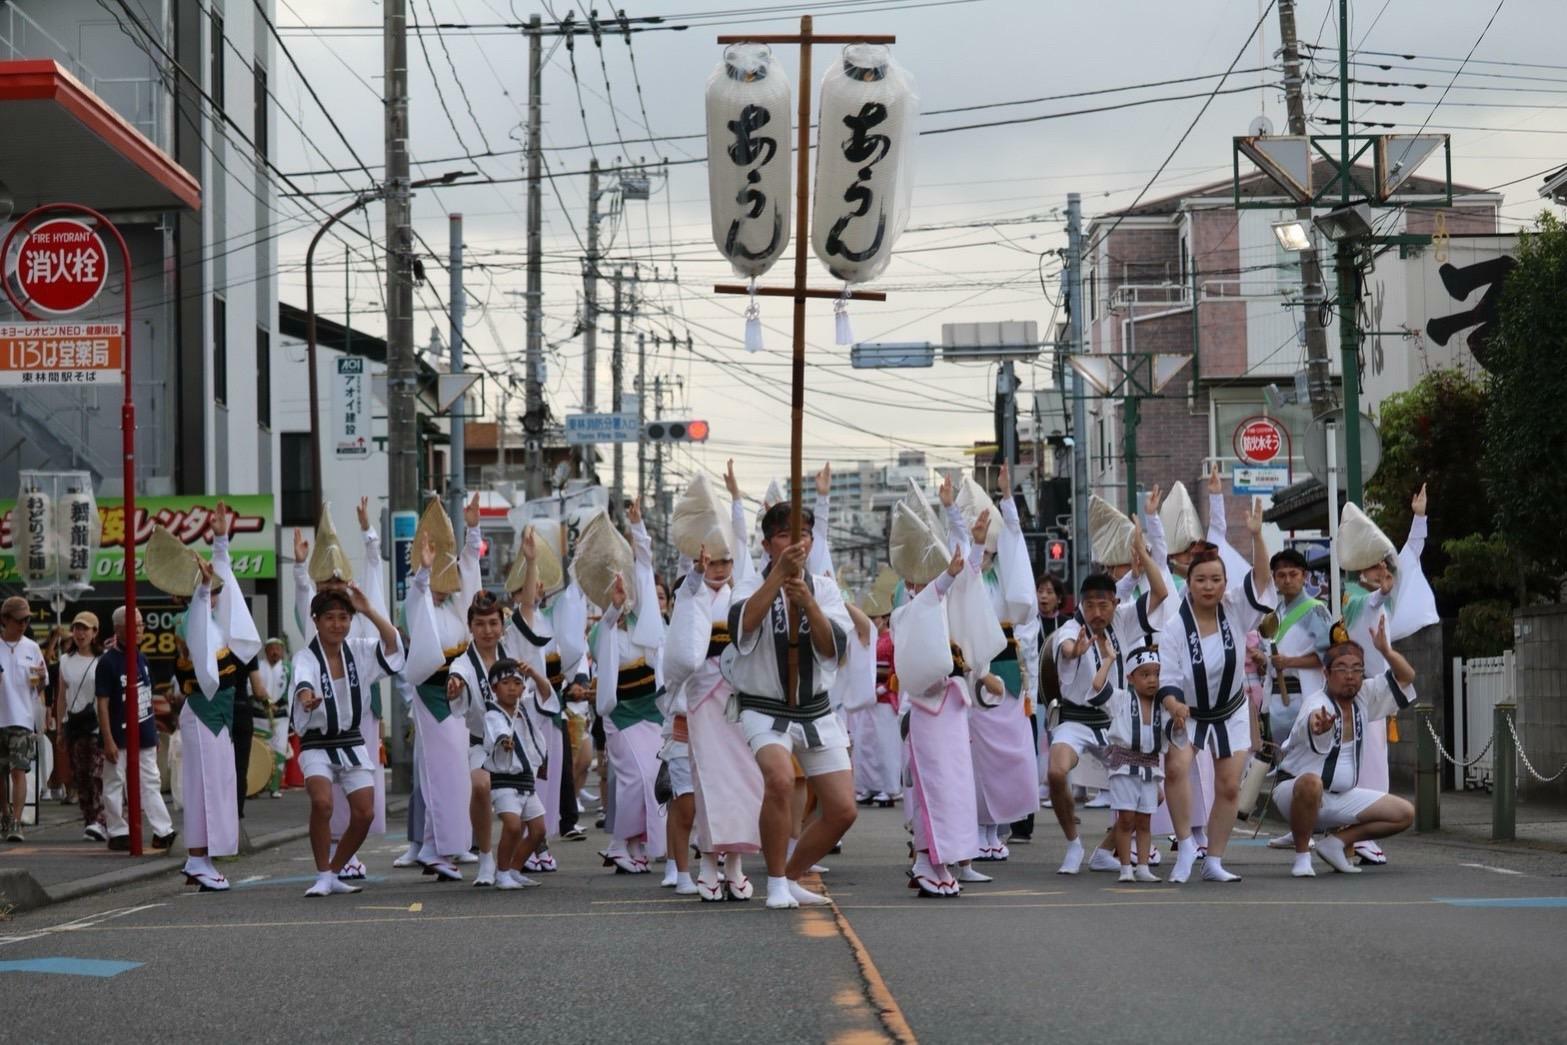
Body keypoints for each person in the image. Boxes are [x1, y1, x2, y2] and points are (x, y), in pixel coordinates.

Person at [729, 501, 855, 910]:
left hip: (815, 709)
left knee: (842, 810)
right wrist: (779, 581)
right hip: (763, 706)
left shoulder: (825, 588)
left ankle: (793, 873)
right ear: (767, 544)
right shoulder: (748, 584)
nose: (795, 542)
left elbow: (834, 648)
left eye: (803, 534)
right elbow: (742, 628)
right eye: (784, 535)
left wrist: (809, 603)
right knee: (781, 780)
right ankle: (777, 880)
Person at [1155, 498, 1273, 884]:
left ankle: (1215, 859)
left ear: (1225, 583)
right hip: (1187, 711)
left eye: (1216, 580)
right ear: (1188, 583)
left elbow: (1261, 580)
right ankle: (1187, 842)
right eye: (1201, 579)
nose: (1209, 586)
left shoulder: (1235, 608)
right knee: (1175, 769)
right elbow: (1168, 677)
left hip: (1231, 710)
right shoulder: (1175, 626)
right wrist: (1173, 704)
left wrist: (1257, 537)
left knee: (1227, 785)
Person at [1048, 526, 1167, 875]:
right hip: (1077, 718)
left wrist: (1142, 558)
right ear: (1081, 606)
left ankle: (1106, 850)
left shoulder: (1127, 619)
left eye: (1104, 604)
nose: (1097, 612)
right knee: (1056, 771)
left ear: (1115, 604)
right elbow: (1066, 648)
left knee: (1153, 791)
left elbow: (1160, 591)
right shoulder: (1073, 629)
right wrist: (1075, 650)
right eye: (1090, 605)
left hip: (1117, 721)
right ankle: (1073, 844)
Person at [1336, 485, 1437, 866]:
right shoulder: (1353, 597)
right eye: (1375, 567)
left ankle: (1361, 834)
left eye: (1384, 566)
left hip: (1377, 690)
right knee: (1363, 764)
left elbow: (1409, 556)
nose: (1383, 572)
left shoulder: (1383, 596)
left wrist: (1420, 518)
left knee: (1372, 762)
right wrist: (1380, 591)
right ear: (1363, 569)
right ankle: (1358, 834)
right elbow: (1370, 601)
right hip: (1356, 691)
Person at [663, 527, 765, 902]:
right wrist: (694, 575)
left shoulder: (743, 595)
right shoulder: (693, 592)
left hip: (739, 699)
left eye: (726, 561)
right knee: (706, 785)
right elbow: (684, 629)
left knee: (744, 783)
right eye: (713, 561)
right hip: (702, 700)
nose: (719, 569)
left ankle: (735, 864)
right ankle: (708, 862)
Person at [944, 467, 1039, 863]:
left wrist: (1007, 500)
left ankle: (993, 829)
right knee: (974, 759)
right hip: (971, 673)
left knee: (1009, 755)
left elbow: (1015, 542)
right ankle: (977, 832)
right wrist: (951, 511)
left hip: (1008, 675)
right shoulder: (962, 579)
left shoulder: (1004, 580)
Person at [1273, 621, 1418, 877]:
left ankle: (1335, 843)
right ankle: (1302, 856)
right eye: (1341, 669)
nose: (1350, 675)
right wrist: (1319, 726)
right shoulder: (1316, 703)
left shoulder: (1364, 696)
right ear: (1326, 674)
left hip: (1340, 797)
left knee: (1404, 813)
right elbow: (1313, 721)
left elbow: (1407, 677)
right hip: (1295, 794)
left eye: (1356, 669)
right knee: (1310, 783)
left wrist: (1385, 651)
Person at [294, 498, 389, 876]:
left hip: (356, 711)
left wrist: (369, 536)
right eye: (326, 583)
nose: (334, 587)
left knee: (360, 797)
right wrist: (301, 567)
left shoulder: (353, 620)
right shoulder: (312, 618)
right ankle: (328, 860)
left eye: (339, 583)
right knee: (323, 796)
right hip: (319, 713)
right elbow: (303, 592)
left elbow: (386, 643)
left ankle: (344, 857)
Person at [291, 583, 404, 897]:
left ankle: (334, 871)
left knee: (365, 813)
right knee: (322, 803)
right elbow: (302, 682)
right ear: (315, 620)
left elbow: (393, 645)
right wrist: (306, 697)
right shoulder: (306, 656)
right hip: (317, 742)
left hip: (351, 741)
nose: (337, 624)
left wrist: (368, 609)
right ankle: (321, 872)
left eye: (344, 617)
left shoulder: (359, 650)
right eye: (330, 617)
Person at [894, 535, 986, 897]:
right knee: (931, 791)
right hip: (923, 710)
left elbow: (968, 586)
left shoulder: (946, 607)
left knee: (955, 789)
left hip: (951, 708)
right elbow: (934, 597)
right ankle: (924, 861)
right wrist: (946, 577)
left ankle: (941, 863)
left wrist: (975, 546)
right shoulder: (907, 612)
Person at [179, 506, 265, 891]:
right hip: (202, 711)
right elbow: (199, 611)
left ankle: (200, 857)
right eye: (208, 591)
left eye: (214, 591)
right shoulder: (192, 618)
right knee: (205, 787)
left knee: (211, 785)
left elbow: (223, 578)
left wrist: (220, 541)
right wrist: (201, 588)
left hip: (216, 712)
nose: (214, 596)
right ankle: (198, 858)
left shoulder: (214, 619)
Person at [403, 499, 484, 882]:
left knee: (455, 774)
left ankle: (440, 846)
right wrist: (423, 569)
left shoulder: (454, 607)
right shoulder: (418, 600)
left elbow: (469, 570)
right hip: (431, 695)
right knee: (439, 772)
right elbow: (418, 599)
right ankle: (434, 849)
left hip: (457, 696)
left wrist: (473, 533)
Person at [592, 500, 669, 875]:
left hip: (651, 713)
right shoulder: (602, 629)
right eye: (617, 586)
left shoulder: (649, 627)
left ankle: (633, 843)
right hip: (620, 716)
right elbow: (604, 633)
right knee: (636, 778)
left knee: (653, 779)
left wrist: (638, 529)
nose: (624, 590)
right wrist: (613, 609)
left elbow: (646, 565)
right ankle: (620, 843)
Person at [97, 606, 177, 851]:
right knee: (114, 782)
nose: (141, 629)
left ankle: (163, 830)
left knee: (150, 781)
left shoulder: (141, 658)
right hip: (118, 735)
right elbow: (102, 704)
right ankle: (118, 830)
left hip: (143, 731)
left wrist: (152, 729)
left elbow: (146, 696)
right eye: (136, 625)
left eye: (142, 624)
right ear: (119, 629)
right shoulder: (108, 662)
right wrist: (108, 739)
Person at [1103, 643, 1180, 883]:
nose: (1152, 680)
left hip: (1150, 767)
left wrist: (1179, 720)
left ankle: (1143, 866)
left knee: (1145, 821)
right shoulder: (1121, 699)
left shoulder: (1162, 706)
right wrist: (1108, 660)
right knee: (1126, 819)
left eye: (1156, 674)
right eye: (1145, 675)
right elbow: (1097, 689)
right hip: (1125, 767)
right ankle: (1126, 867)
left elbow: (1173, 734)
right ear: (1131, 677)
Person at [481, 658, 552, 890]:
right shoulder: (493, 713)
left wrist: (533, 672)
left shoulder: (526, 707)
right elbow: (497, 732)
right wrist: (504, 741)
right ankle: (501, 873)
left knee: (539, 830)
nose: (512, 688)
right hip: (504, 781)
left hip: (526, 781)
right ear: (494, 688)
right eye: (505, 683)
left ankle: (514, 869)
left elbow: (546, 695)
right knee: (512, 826)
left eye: (517, 683)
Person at [0, 595, 46, 842]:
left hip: (22, 717)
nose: (23, 624)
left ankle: (17, 821)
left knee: (19, 770)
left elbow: (40, 685)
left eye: (27, 620)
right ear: (5, 620)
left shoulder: (32, 647)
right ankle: (5, 815)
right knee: (1, 773)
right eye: (19, 620)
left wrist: (42, 678)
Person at [57, 611, 105, 840]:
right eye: (77, 628)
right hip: (74, 723)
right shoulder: (65, 661)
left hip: (97, 724)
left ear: (95, 632)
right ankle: (90, 820)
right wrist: (59, 728)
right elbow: (61, 696)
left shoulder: (102, 660)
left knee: (97, 773)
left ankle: (101, 819)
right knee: (81, 776)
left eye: (85, 628)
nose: (80, 633)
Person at [257, 637, 292, 798]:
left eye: (278, 648)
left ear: (282, 651)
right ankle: (256, 786)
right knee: (258, 751)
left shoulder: (288, 668)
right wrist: (263, 702)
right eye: (272, 648)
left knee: (278, 750)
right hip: (258, 715)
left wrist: (278, 703)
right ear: (266, 650)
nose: (275, 652)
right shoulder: (257, 667)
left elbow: (292, 689)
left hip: (280, 716)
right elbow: (252, 688)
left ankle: (275, 787)